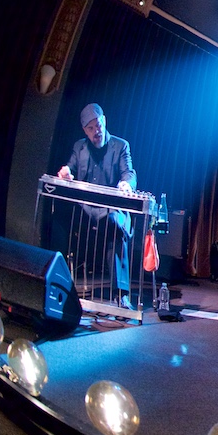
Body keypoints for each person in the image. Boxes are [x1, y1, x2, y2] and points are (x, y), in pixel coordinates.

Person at [57, 103, 137, 310]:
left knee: (115, 225)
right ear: (85, 130)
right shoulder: (79, 147)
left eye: (99, 126)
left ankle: (120, 294)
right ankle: (61, 288)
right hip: (85, 209)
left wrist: (126, 183)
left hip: (110, 209)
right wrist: (66, 172)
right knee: (59, 221)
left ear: (105, 120)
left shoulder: (121, 146)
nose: (96, 132)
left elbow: (129, 172)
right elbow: (70, 167)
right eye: (91, 129)